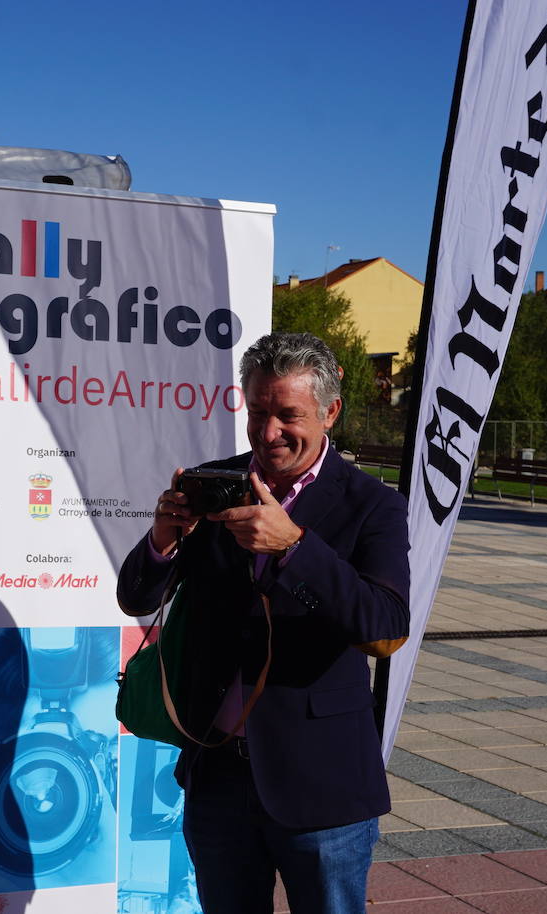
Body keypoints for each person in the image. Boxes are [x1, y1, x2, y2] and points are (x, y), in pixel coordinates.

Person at [117, 332, 410, 914]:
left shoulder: (372, 504)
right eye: (256, 412)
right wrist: (161, 540)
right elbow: (136, 599)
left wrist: (294, 547)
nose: (268, 431)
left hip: (321, 781)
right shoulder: (215, 483)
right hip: (218, 775)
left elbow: (385, 628)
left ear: (330, 412)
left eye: (288, 415)